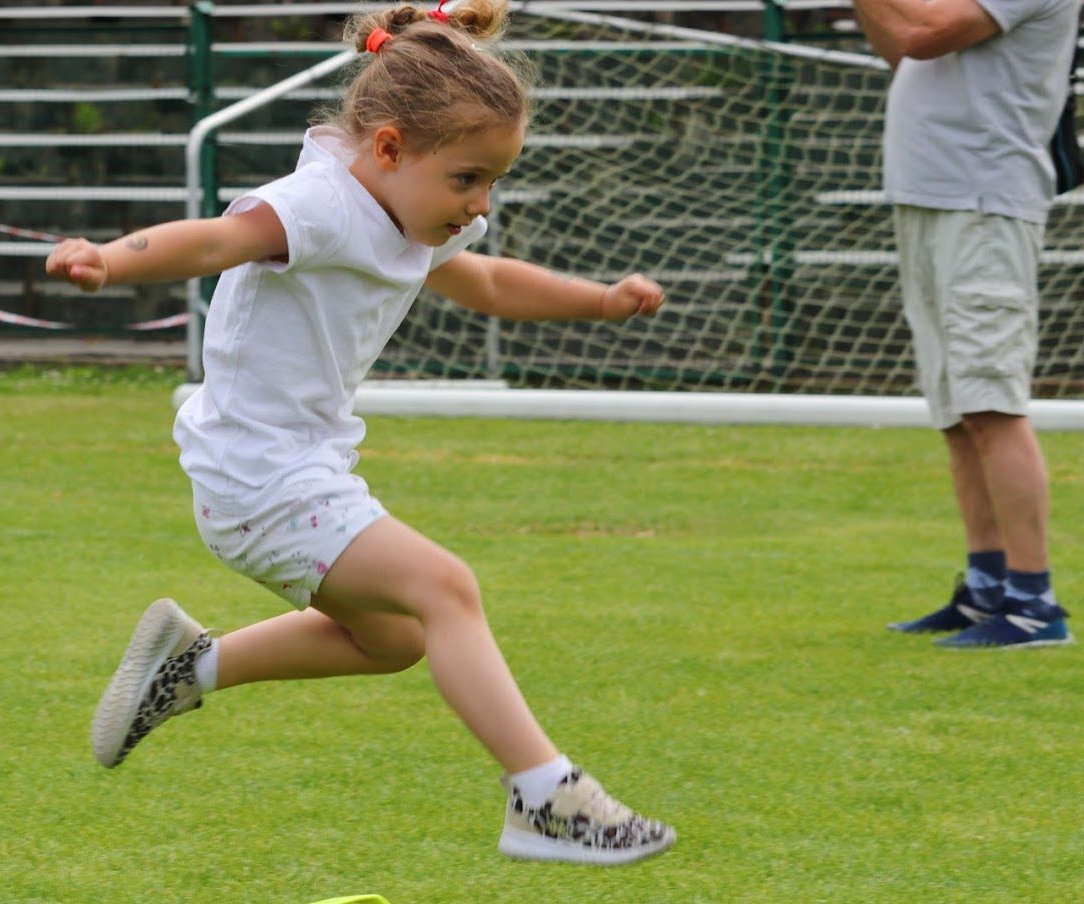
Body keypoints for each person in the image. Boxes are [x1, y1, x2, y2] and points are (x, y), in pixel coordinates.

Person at [45, 0, 676, 865]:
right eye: (466, 178)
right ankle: (546, 797)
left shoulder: (405, 207)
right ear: (387, 148)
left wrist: (597, 301)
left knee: (398, 640)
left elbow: (486, 283)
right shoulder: (318, 205)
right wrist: (112, 259)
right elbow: (211, 241)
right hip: (258, 479)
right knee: (446, 589)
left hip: (301, 469)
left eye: (493, 180)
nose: (479, 203)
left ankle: (188, 667)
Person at [850, 0, 1081, 648]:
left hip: (983, 202)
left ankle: (1035, 604)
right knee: (957, 410)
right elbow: (903, 48)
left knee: (991, 405)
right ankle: (987, 588)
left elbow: (927, 33)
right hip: (931, 198)